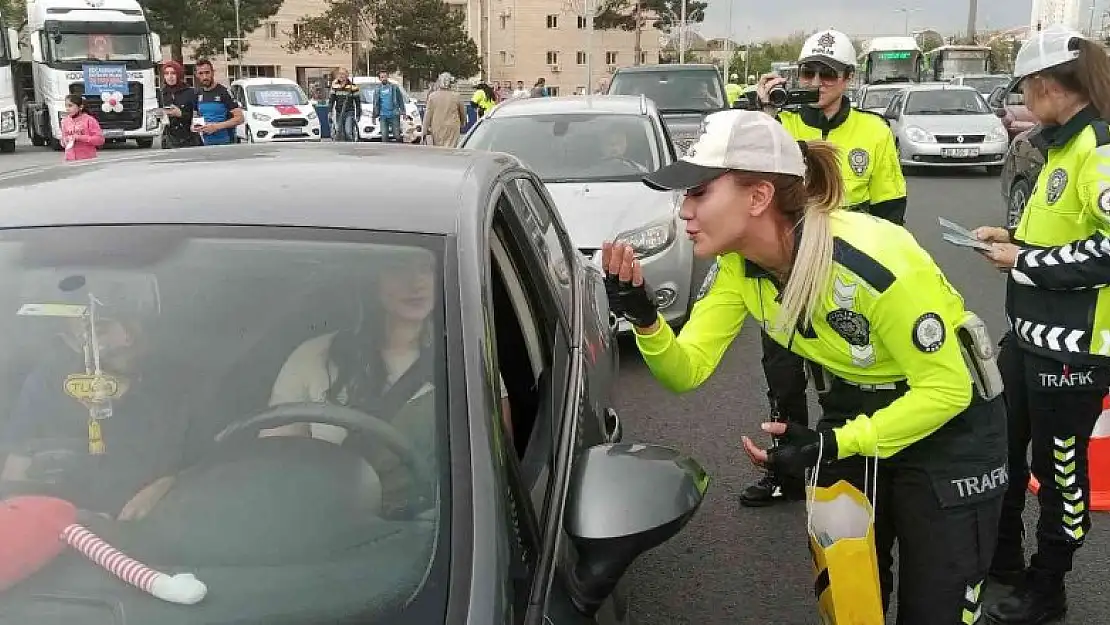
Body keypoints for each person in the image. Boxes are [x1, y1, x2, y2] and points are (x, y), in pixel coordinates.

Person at [604, 109, 1007, 623]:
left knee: (936, 610)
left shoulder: (873, 257)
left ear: (758, 197)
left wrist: (837, 443)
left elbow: (948, 390)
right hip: (853, 413)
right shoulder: (737, 268)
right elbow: (687, 371)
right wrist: (645, 318)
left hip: (951, 431)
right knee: (852, 602)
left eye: (699, 192)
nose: (684, 209)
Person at [972, 25, 1110, 625]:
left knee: (1059, 470)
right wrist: (1016, 238)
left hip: (1073, 349)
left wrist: (1024, 260)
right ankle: (1003, 558)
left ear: (1050, 84)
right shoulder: (1059, 146)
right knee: (999, 447)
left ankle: (1047, 585)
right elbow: (1068, 235)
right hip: (1027, 336)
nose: (1024, 98)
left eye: (1026, 85)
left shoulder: (1099, 149)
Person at [740, 29, 909, 507]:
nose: (816, 82)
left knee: (846, 381)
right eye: (808, 72)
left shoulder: (874, 132)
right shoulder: (780, 123)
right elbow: (745, 176)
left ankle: (844, 468)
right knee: (784, 376)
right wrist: (763, 111)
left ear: (848, 79)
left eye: (828, 73)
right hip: (782, 277)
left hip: (844, 278)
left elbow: (891, 212)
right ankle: (786, 470)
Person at [0, 274, 189, 516]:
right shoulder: (47, 383)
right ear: (70, 336)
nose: (125, 337)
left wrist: (168, 487)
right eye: (100, 327)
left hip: (154, 539)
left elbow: (214, 467)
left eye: (130, 321)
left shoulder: (180, 386)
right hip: (63, 535)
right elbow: (16, 478)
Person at [192, 59, 244, 146]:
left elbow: (240, 118)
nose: (205, 77)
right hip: (206, 144)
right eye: (201, 73)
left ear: (213, 72)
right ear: (196, 75)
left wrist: (216, 127)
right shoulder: (197, 94)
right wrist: (195, 126)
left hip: (226, 143)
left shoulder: (224, 92)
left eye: (207, 72)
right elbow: (197, 117)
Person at [158, 60, 198, 149]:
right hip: (169, 139)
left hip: (189, 139)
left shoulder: (190, 92)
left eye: (173, 73)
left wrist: (181, 114)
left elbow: (198, 115)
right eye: (166, 73)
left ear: (179, 74)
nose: (170, 77)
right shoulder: (161, 93)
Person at [423, 72, 465, 147]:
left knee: (439, 148)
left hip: (437, 126)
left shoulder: (432, 96)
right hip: (452, 126)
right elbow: (462, 112)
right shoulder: (456, 96)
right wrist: (462, 123)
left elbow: (428, 115)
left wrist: (424, 131)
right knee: (451, 148)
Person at [60, 94, 103, 161]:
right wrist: (66, 140)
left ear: (80, 107)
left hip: (87, 159)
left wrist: (80, 137)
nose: (67, 109)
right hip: (70, 159)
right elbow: (63, 141)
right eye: (66, 106)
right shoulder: (65, 121)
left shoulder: (89, 120)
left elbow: (100, 140)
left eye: (70, 106)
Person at [329, 67, 362, 142]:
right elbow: (331, 100)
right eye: (339, 74)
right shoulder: (334, 86)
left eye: (343, 74)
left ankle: (351, 146)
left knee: (348, 132)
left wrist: (358, 115)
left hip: (349, 112)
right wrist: (330, 111)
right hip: (338, 112)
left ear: (347, 75)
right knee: (340, 132)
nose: (341, 76)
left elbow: (358, 102)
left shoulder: (353, 86)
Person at [372, 70, 405, 143]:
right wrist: (374, 116)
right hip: (383, 115)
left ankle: (400, 146)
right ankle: (386, 151)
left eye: (385, 77)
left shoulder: (394, 87)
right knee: (384, 136)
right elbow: (375, 104)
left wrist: (403, 112)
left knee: (396, 135)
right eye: (382, 77)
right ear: (379, 79)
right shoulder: (378, 89)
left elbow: (400, 100)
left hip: (394, 114)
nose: (384, 79)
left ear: (388, 77)